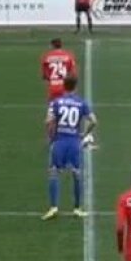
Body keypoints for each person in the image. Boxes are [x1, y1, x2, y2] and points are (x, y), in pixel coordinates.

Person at [43, 75, 97, 220]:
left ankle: (53, 207)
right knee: (77, 174)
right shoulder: (81, 103)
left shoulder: (56, 102)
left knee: (54, 173)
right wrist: (84, 134)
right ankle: (77, 208)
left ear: (63, 86)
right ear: (76, 86)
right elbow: (93, 121)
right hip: (74, 142)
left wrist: (50, 136)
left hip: (60, 141)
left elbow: (48, 121)